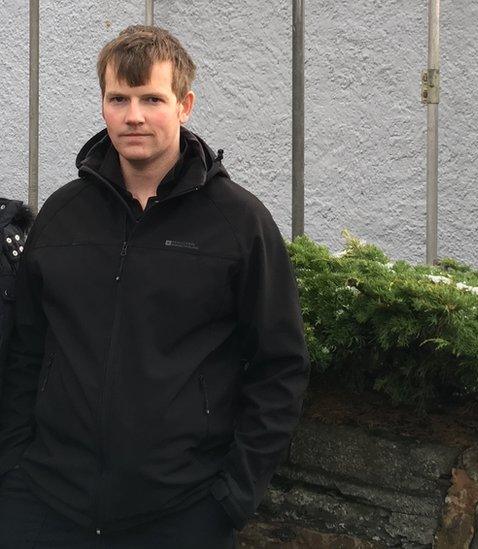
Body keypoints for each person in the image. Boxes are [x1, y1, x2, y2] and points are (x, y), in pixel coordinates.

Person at [0, 26, 309, 548]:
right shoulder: (61, 216)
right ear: (102, 105)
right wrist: (11, 468)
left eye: (151, 99)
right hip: (44, 505)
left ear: (184, 105)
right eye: (118, 98)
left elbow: (280, 366)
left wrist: (233, 498)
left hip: (180, 513)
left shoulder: (237, 222)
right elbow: (27, 349)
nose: (134, 116)